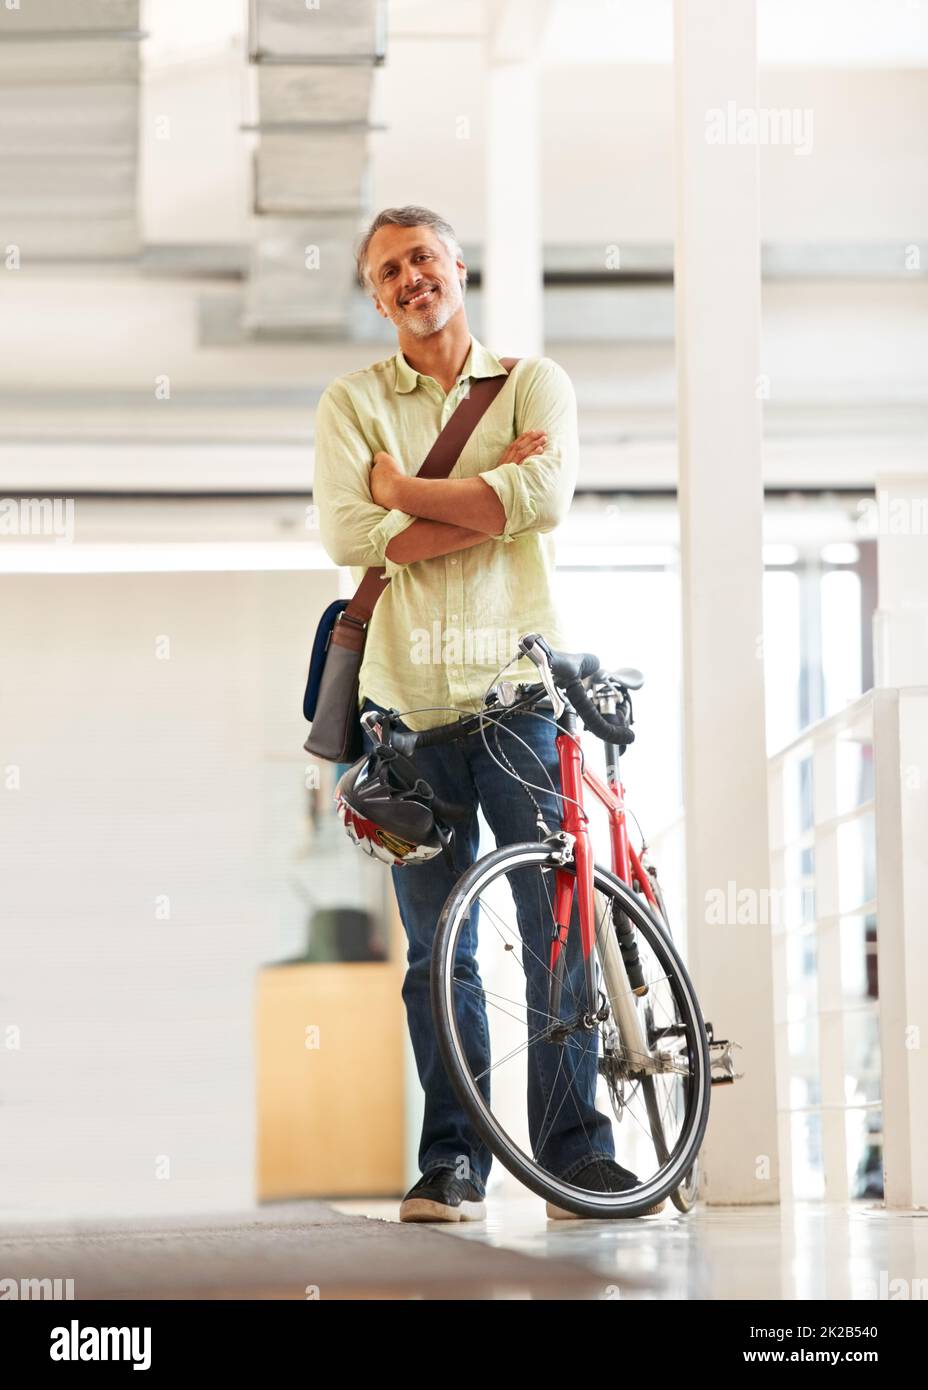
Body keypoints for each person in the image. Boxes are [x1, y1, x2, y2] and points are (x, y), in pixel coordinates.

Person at [312, 205, 662, 1222]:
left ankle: (574, 1155)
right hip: (405, 717)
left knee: (553, 928)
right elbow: (350, 529)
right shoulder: (350, 402)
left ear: (457, 266)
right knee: (435, 953)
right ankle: (453, 1161)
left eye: (422, 257)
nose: (410, 278)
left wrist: (407, 493)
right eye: (388, 272)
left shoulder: (533, 383)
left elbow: (542, 502)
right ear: (376, 296)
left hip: (517, 700)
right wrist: (483, 495)